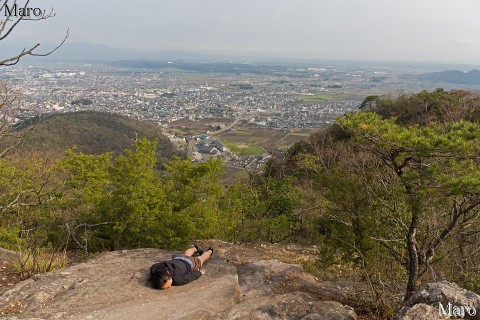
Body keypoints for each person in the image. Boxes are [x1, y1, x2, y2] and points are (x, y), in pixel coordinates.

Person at [149, 244, 213, 289]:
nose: (170, 286)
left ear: (168, 273)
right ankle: (195, 248)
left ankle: (210, 251)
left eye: (170, 284)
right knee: (186, 254)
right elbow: (154, 266)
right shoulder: (158, 269)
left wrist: (199, 273)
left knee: (201, 259)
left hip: (190, 263)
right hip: (178, 258)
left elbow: (189, 277)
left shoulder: (177, 280)